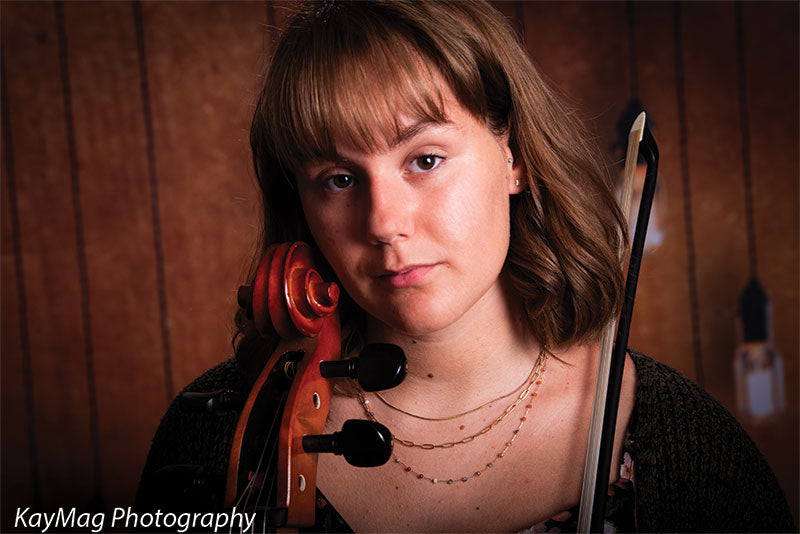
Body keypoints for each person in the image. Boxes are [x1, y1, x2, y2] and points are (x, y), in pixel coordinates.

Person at [137, 1, 794, 532]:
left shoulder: (691, 454)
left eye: (424, 159)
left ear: (513, 156)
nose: (384, 222)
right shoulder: (215, 437)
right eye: (338, 178)